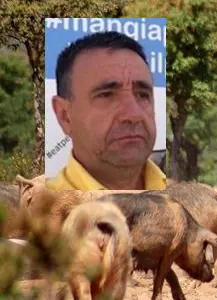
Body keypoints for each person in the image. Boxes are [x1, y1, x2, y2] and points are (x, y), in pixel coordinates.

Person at [46, 31, 166, 190]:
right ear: (64, 116)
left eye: (142, 95)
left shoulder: (184, 201)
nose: (134, 114)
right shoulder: (39, 211)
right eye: (106, 95)